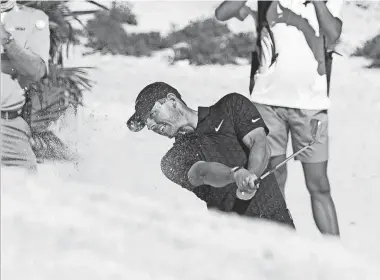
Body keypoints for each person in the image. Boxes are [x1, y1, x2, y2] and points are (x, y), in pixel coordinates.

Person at [215, 0, 342, 236]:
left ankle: (336, 258)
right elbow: (223, 13)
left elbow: (333, 33)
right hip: (266, 103)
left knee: (319, 185)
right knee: (273, 180)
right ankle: (279, 244)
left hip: (311, 106)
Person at [127, 82, 295, 228]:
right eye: (146, 123)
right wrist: (235, 175)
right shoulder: (172, 160)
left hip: (278, 223)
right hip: (234, 235)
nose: (150, 125)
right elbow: (202, 172)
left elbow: (259, 143)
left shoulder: (231, 106)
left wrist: (252, 175)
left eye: (152, 114)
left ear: (172, 100)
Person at [1, 0, 50, 171]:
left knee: (26, 193)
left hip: (9, 126)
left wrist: (6, 39)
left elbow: (36, 71)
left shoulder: (34, 18)